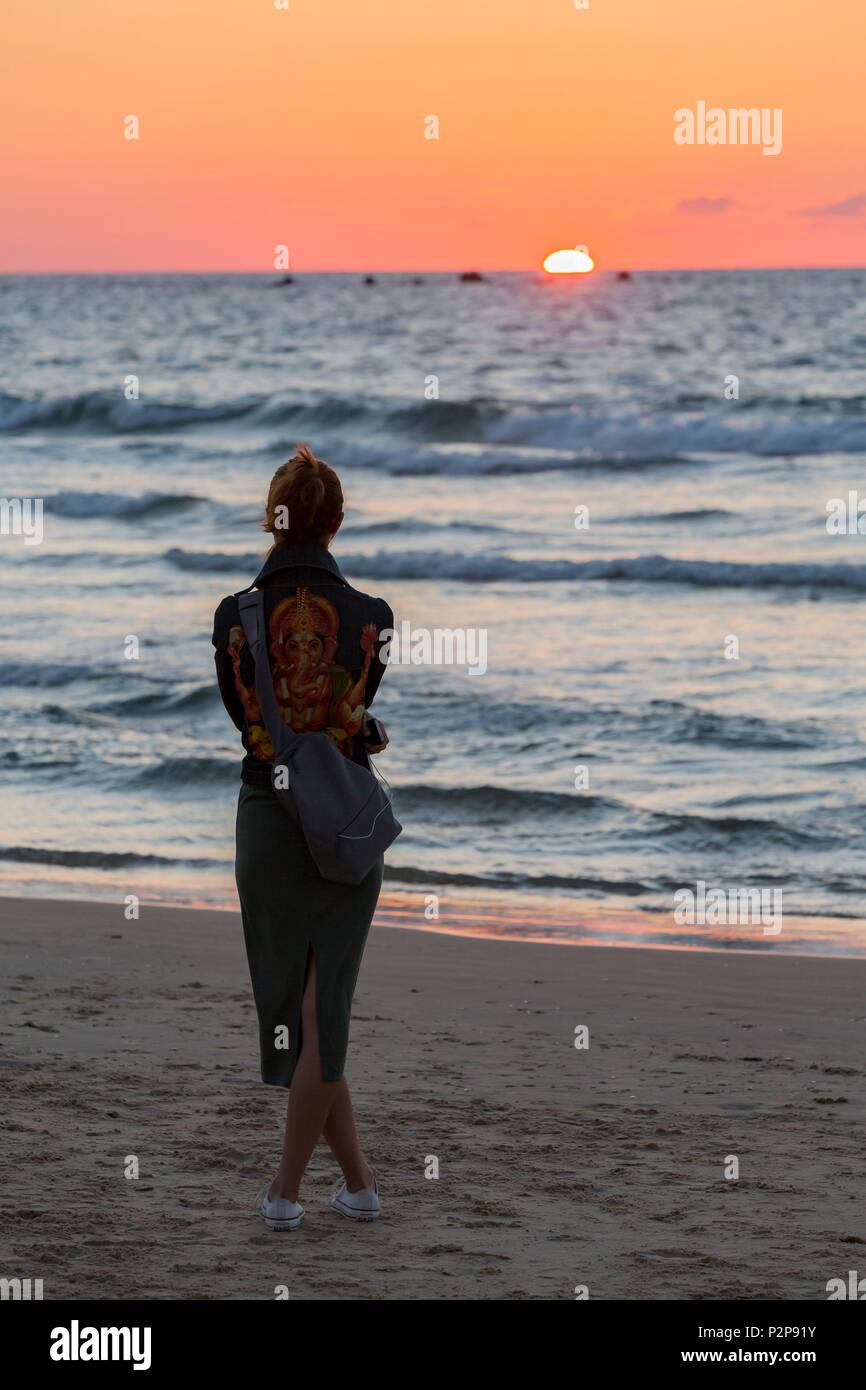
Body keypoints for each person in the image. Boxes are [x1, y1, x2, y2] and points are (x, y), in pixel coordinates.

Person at [212, 444, 394, 1230]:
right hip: (345, 824)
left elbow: (252, 726)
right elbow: (345, 725)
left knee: (300, 1012)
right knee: (328, 1013)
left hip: (267, 822)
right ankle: (325, 1188)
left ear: (271, 517)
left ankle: (316, 1191)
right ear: (338, 522)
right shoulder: (374, 620)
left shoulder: (234, 618)